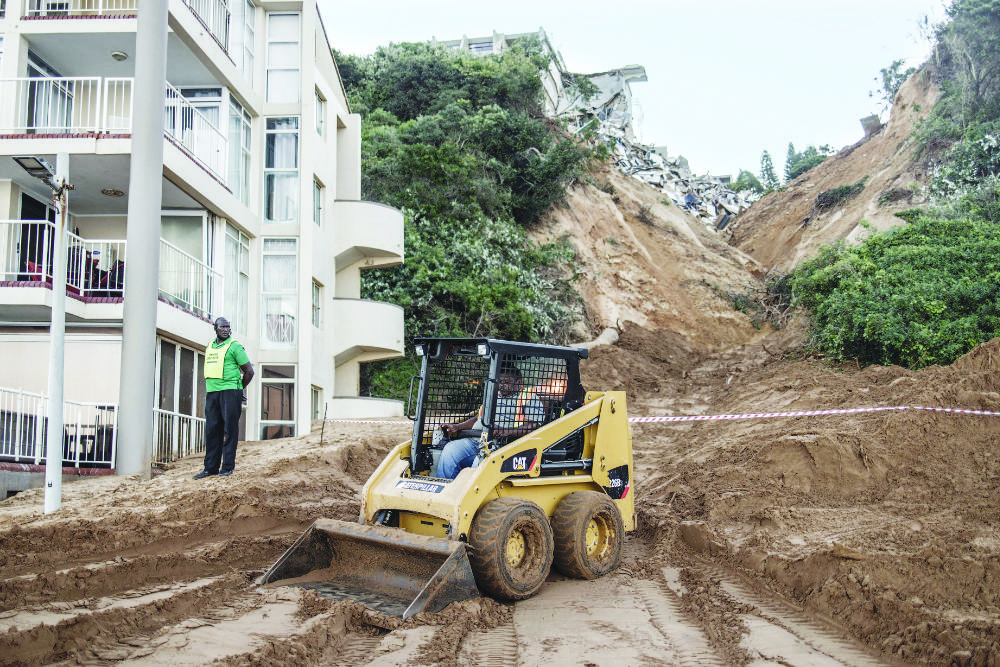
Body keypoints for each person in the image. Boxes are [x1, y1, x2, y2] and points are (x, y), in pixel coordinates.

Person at [437, 365, 544, 479]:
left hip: (500, 445)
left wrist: (507, 431)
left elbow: (533, 425)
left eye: (507, 382)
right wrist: (457, 427)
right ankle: (446, 487)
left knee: (480, 461)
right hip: (476, 439)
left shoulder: (528, 398)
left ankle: (469, 493)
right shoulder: (494, 397)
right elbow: (477, 419)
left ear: (519, 382)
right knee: (450, 449)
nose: (502, 385)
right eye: (500, 382)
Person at [194, 317, 254, 479]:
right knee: (212, 430)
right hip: (212, 392)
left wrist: (240, 388)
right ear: (215, 328)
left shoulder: (234, 347)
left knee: (230, 430)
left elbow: (249, 371)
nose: (226, 330)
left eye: (228, 327)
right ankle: (210, 468)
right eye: (222, 327)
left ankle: (227, 467)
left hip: (230, 391)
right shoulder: (210, 346)